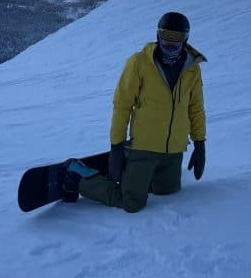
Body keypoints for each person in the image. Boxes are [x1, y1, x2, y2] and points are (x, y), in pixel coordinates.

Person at [63, 12, 206, 212]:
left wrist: (199, 144)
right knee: (132, 203)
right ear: (158, 34)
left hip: (173, 150)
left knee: (167, 192)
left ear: (186, 38)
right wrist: (116, 147)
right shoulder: (139, 63)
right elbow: (122, 105)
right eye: (166, 35)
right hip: (144, 147)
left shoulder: (192, 69)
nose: (170, 43)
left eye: (177, 38)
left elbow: (195, 108)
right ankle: (78, 176)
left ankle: (132, 174)